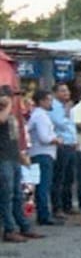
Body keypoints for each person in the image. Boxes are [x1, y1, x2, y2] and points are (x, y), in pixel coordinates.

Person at [0, 91, 43, 242]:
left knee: (18, 195)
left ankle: (24, 226)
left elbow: (13, 137)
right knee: (6, 196)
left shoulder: (10, 115)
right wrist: (9, 103)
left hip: (12, 157)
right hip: (2, 159)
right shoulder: (3, 113)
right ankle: (9, 230)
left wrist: (21, 155)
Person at [27, 89, 62, 226]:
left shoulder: (37, 115)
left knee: (41, 185)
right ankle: (43, 216)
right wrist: (56, 140)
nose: (50, 102)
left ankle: (43, 214)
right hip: (43, 153)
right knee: (43, 185)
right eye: (49, 99)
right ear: (41, 101)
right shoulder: (40, 116)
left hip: (39, 153)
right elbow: (44, 137)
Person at [49, 83, 77, 218]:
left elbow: (72, 126)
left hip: (70, 144)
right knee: (59, 178)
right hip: (61, 145)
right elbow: (59, 122)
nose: (66, 93)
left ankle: (68, 205)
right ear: (55, 93)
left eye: (67, 90)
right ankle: (57, 207)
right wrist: (66, 111)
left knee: (69, 178)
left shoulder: (67, 107)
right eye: (63, 91)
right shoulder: (54, 106)